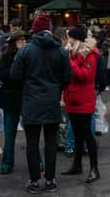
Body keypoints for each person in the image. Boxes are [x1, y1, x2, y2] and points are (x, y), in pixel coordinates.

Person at [11, 13, 71, 194]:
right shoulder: (60, 50)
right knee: (51, 143)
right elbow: (67, 77)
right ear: (50, 30)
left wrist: (27, 86)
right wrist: (57, 89)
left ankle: (35, 180)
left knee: (32, 142)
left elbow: (14, 75)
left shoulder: (26, 50)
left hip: (31, 100)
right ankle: (51, 180)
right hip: (52, 100)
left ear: (35, 30)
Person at [62, 25, 101, 183]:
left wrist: (70, 64)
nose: (68, 40)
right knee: (78, 134)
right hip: (72, 98)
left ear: (76, 38)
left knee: (86, 135)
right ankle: (77, 165)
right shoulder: (72, 53)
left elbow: (86, 76)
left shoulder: (89, 54)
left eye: (70, 37)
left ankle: (94, 168)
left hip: (84, 99)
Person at [0, 29, 27, 174]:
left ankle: (37, 162)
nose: (24, 43)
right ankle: (7, 162)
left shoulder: (29, 56)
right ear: (14, 43)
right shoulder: (6, 57)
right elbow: (5, 77)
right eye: (21, 40)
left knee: (32, 133)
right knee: (9, 133)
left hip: (26, 98)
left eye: (25, 40)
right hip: (10, 98)